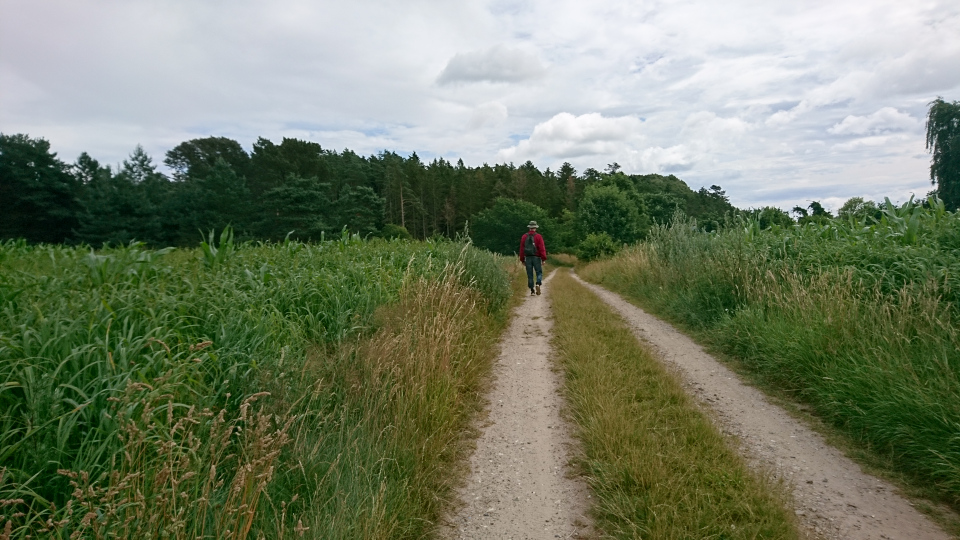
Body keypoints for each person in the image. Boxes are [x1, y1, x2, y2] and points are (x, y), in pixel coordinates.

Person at [519, 220, 547, 296]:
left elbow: (521, 249)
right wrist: (543, 258)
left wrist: (522, 259)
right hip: (536, 257)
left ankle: (532, 290)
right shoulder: (538, 236)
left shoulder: (524, 236)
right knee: (539, 272)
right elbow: (542, 248)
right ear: (535, 228)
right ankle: (538, 283)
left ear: (529, 228)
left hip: (527, 258)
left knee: (530, 274)